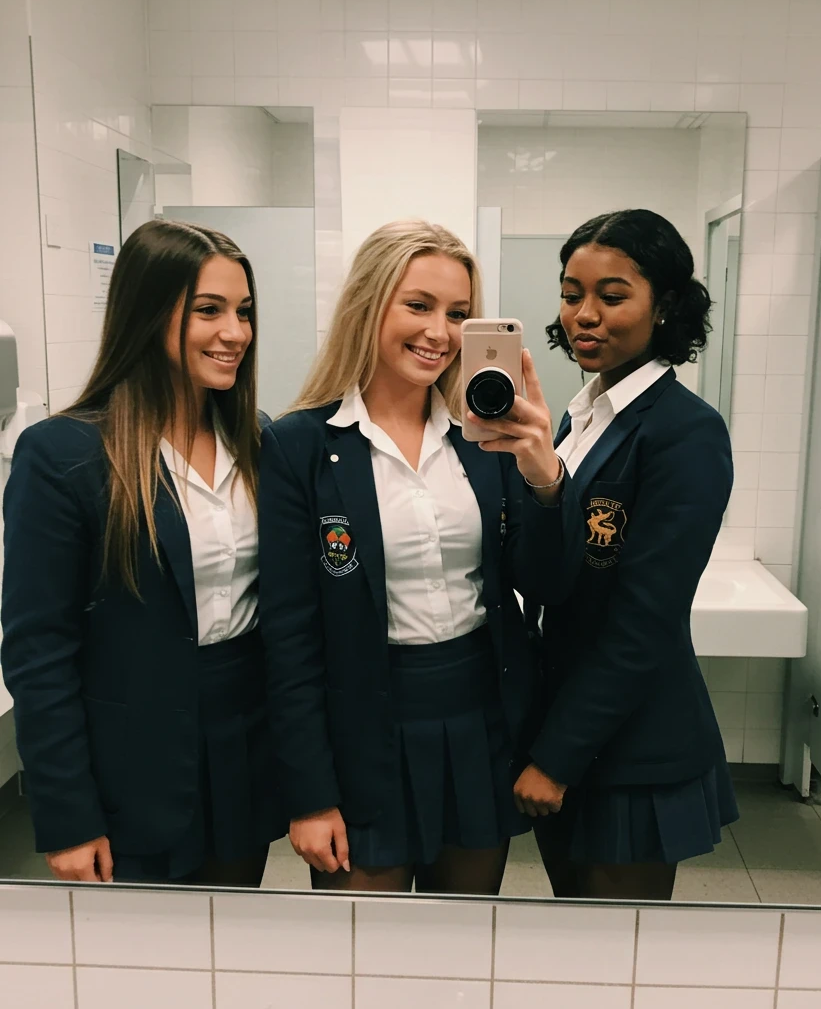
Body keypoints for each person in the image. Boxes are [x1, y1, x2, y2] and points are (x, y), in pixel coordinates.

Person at [258, 219, 581, 895]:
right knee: (363, 959)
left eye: (458, 313)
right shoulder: (301, 447)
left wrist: (544, 476)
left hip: (477, 720)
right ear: (368, 305)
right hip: (362, 729)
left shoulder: (482, 439)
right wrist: (310, 795)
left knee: (462, 945)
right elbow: (288, 635)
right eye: (419, 305)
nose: (440, 331)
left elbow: (548, 582)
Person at [1, 218, 283, 886]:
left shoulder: (258, 441)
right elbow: (38, 651)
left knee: (231, 943)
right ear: (147, 312)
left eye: (243, 311)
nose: (235, 333)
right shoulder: (65, 455)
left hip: (242, 756)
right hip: (131, 770)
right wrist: (68, 814)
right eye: (208, 311)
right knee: (145, 968)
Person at [516, 209, 738, 902]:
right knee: (575, 933)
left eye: (612, 296)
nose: (584, 315)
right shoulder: (578, 417)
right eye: (570, 293)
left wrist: (555, 758)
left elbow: (645, 622)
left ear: (664, 305)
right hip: (572, 725)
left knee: (617, 960)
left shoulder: (685, 433)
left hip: (634, 747)